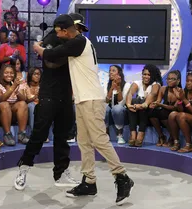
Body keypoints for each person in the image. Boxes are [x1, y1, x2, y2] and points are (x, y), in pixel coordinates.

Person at [31, 14, 134, 206]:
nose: (58, 35)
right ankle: (89, 181)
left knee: (99, 140)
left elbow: (52, 55)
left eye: (58, 32)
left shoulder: (78, 42)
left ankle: (122, 177)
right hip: (82, 99)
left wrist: (38, 48)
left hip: (92, 99)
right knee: (84, 142)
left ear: (64, 30)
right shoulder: (77, 42)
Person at [14, 22, 81, 190]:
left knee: (62, 137)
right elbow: (50, 62)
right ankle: (23, 168)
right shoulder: (53, 37)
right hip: (49, 95)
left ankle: (61, 173)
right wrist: (64, 54)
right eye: (76, 28)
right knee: (38, 135)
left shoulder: (76, 42)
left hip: (65, 96)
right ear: (65, 28)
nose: (78, 31)